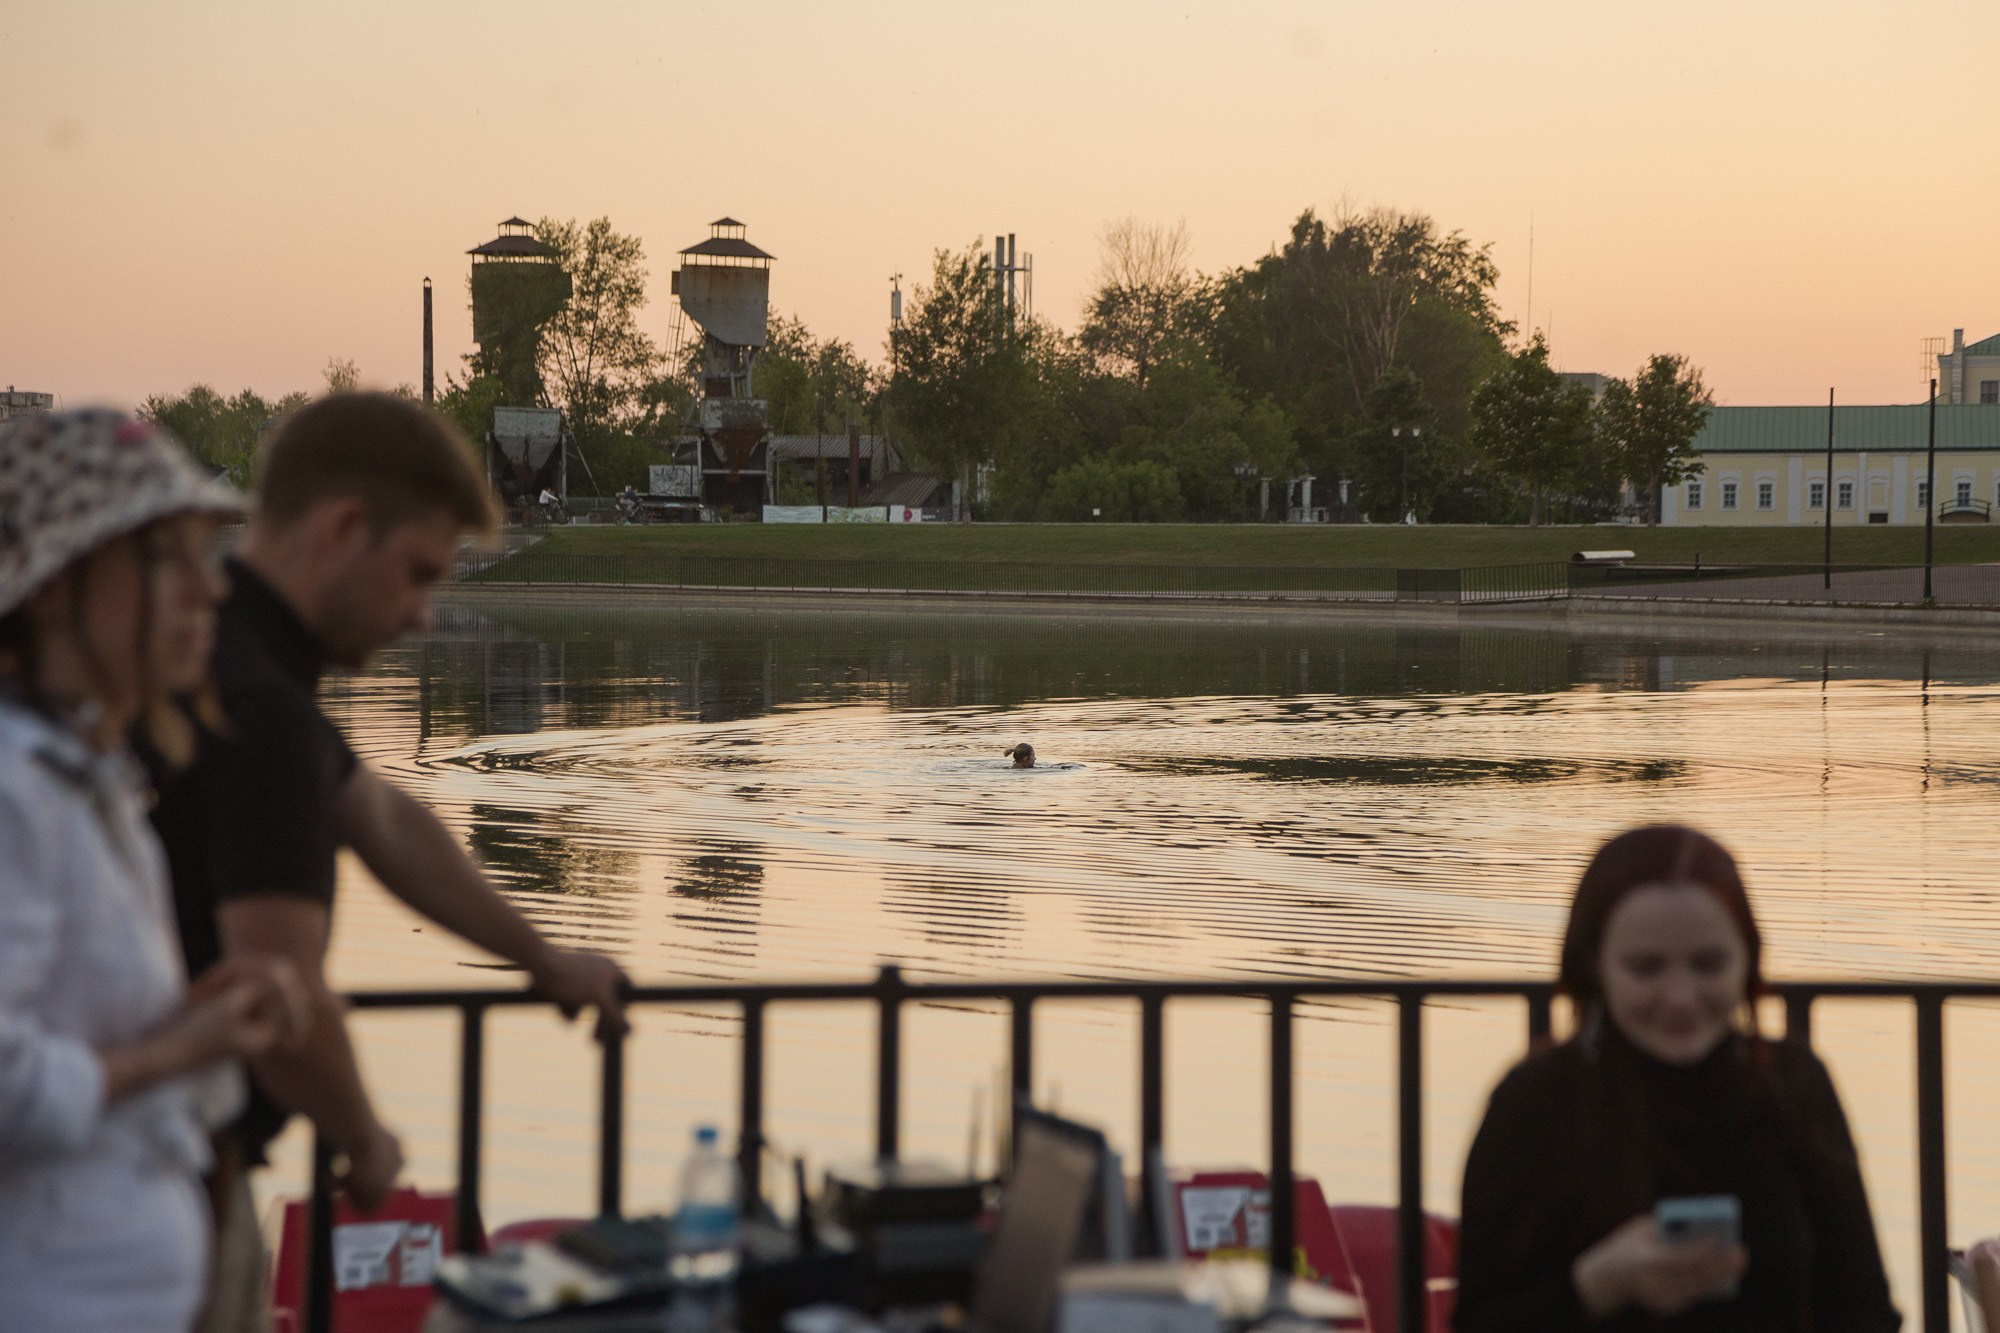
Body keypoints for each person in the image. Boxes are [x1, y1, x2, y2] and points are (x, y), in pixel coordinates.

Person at [143, 393, 629, 1333]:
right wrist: (363, 1139)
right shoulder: (265, 719)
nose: (420, 616)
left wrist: (548, 961)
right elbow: (279, 992)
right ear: (341, 529)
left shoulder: (222, 660)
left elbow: (387, 821)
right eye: (415, 574)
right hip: (168, 1192)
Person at [0, 411, 310, 1332]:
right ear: (58, 587)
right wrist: (177, 1048)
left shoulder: (89, 782)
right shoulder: (14, 790)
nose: (209, 592)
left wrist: (210, 1019)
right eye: (165, 558)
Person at [1454, 825, 1898, 1332]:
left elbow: (1864, 1310)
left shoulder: (1796, 1085)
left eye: (1709, 965)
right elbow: (1478, 1320)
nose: (1681, 997)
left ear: (1747, 961)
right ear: (1595, 965)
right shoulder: (1533, 1103)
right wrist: (1596, 1283)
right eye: (1646, 968)